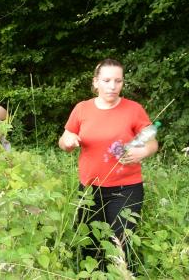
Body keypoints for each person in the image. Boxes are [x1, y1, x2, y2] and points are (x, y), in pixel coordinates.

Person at [58, 59, 158, 267]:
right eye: (106, 80)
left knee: (120, 244)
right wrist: (67, 142)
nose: (112, 86)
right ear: (96, 82)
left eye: (118, 81)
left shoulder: (134, 109)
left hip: (126, 189)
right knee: (89, 245)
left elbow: (152, 142)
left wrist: (144, 151)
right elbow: (65, 139)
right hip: (89, 189)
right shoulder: (82, 109)